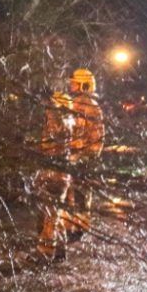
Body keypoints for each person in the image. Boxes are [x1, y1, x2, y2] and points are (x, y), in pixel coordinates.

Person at [34, 88, 75, 261]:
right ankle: (59, 251)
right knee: (55, 213)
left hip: (54, 173)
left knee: (50, 214)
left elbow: (55, 120)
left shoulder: (59, 121)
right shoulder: (69, 122)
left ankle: (45, 253)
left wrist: (50, 103)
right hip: (60, 172)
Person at [65, 68, 104, 240]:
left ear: (83, 85)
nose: (71, 85)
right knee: (79, 193)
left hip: (81, 156)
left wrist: (74, 153)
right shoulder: (89, 104)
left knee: (77, 194)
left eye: (74, 82)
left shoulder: (82, 105)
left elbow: (76, 132)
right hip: (85, 155)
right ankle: (76, 226)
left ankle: (76, 228)